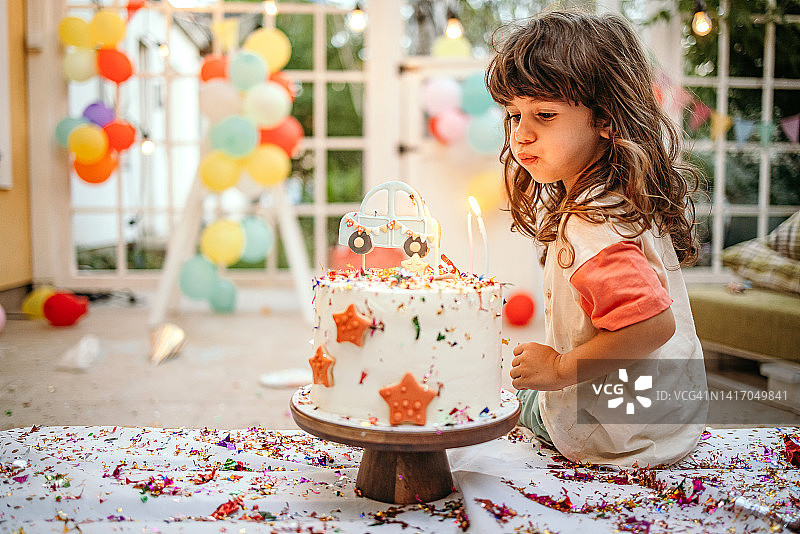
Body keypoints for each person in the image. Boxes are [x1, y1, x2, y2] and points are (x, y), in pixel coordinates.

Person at [486, 10, 708, 467]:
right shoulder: (620, 194)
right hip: (665, 414)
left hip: (610, 428)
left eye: (544, 115)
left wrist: (559, 369)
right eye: (514, 115)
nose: (521, 135)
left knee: (500, 397)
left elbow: (652, 326)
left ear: (604, 118)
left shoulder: (592, 224)